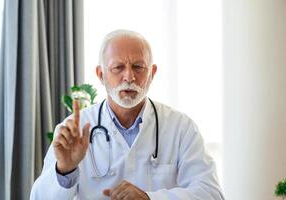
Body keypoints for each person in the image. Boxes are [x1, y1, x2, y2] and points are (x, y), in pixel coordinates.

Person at [30, 29, 225, 200]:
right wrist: (65, 170)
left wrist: (150, 198)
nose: (129, 77)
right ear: (100, 74)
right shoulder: (75, 129)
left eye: (138, 67)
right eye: (118, 68)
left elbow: (211, 194)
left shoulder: (180, 127)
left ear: (152, 73)